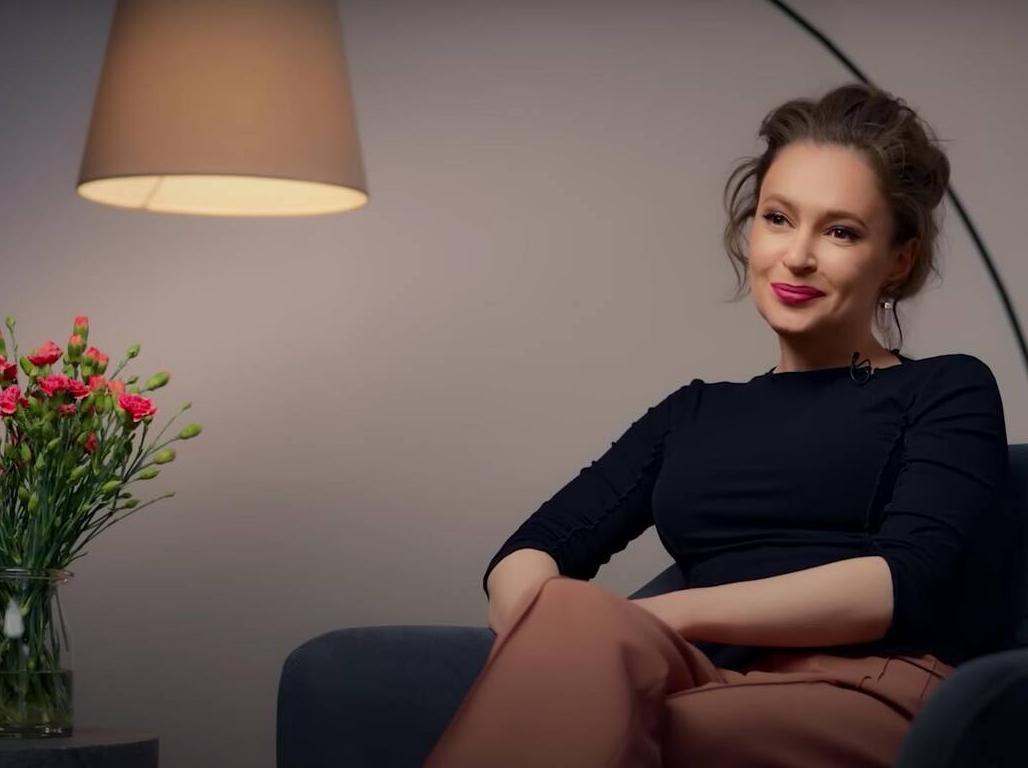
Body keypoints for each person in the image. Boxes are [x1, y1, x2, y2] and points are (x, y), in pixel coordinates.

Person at [423, 82, 1010, 767]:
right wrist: (554, 631)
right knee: (572, 639)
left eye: (841, 231)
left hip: (864, 687)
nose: (798, 256)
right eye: (778, 218)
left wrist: (659, 617)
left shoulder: (946, 388)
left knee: (614, 732)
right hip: (698, 678)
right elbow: (532, 548)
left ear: (898, 261)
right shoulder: (694, 413)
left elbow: (901, 580)